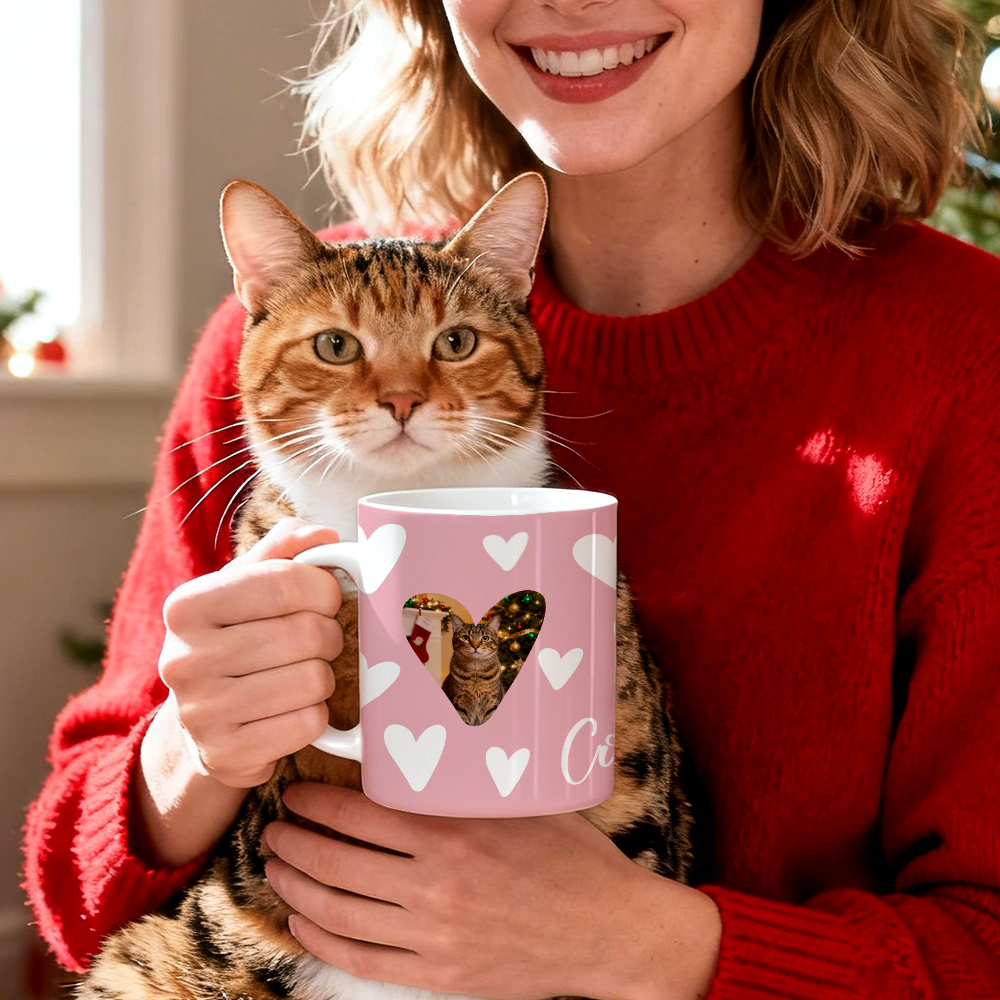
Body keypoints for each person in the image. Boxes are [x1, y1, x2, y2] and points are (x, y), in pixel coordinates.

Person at [23, 1, 1000, 997]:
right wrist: (193, 750)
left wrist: (647, 943)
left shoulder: (969, 364)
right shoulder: (281, 344)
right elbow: (74, 901)